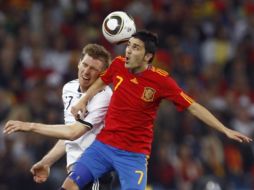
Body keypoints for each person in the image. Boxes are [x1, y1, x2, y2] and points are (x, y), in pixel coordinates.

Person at [4, 31, 252, 190]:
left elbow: (194, 107)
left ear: (148, 57)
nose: (128, 51)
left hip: (132, 155)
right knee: (68, 187)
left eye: (135, 48)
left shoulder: (162, 82)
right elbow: (103, 79)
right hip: (103, 146)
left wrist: (225, 129)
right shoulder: (119, 65)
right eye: (129, 45)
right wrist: (83, 101)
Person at [4, 43, 114, 190]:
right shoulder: (69, 89)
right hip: (77, 175)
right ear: (79, 63)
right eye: (85, 64)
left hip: (95, 173)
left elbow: (73, 133)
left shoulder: (104, 96)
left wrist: (30, 126)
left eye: (93, 69)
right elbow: (67, 135)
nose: (86, 71)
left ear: (102, 75)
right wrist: (47, 161)